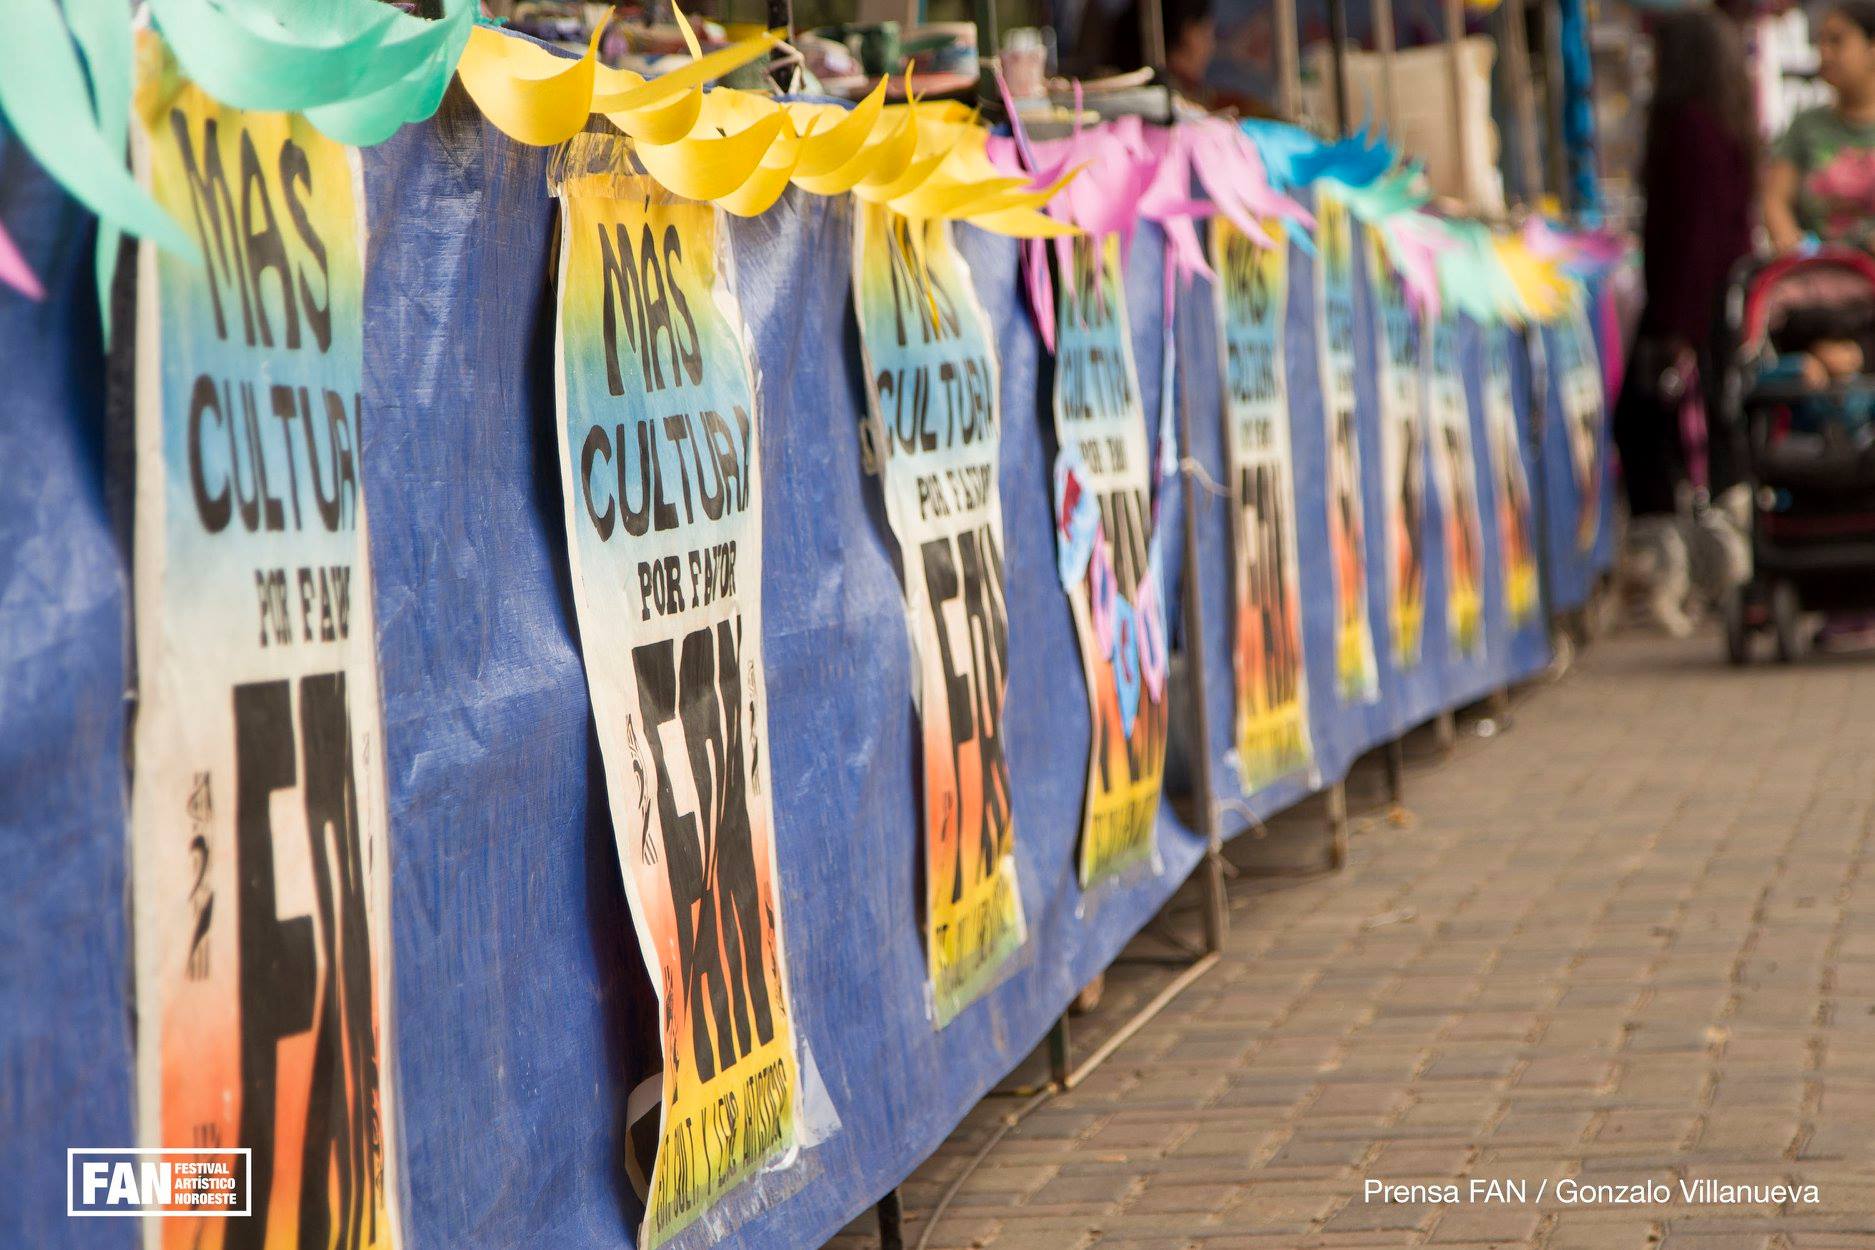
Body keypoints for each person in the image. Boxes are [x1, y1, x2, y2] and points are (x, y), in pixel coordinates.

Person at [1612, 8, 1758, 634]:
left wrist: (1675, 329)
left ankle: (1683, 566)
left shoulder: (1689, 127)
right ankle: (1710, 566)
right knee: (1697, 438)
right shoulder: (1726, 125)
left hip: (1685, 311)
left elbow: (1693, 237)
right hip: (1708, 309)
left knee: (1651, 432)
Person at [1765, 0, 1875, 250]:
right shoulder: (1806, 125)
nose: (1824, 53)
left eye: (1837, 41)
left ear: (1872, 47)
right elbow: (1775, 199)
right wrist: (1793, 245)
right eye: (1820, 42)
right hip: (1816, 275)